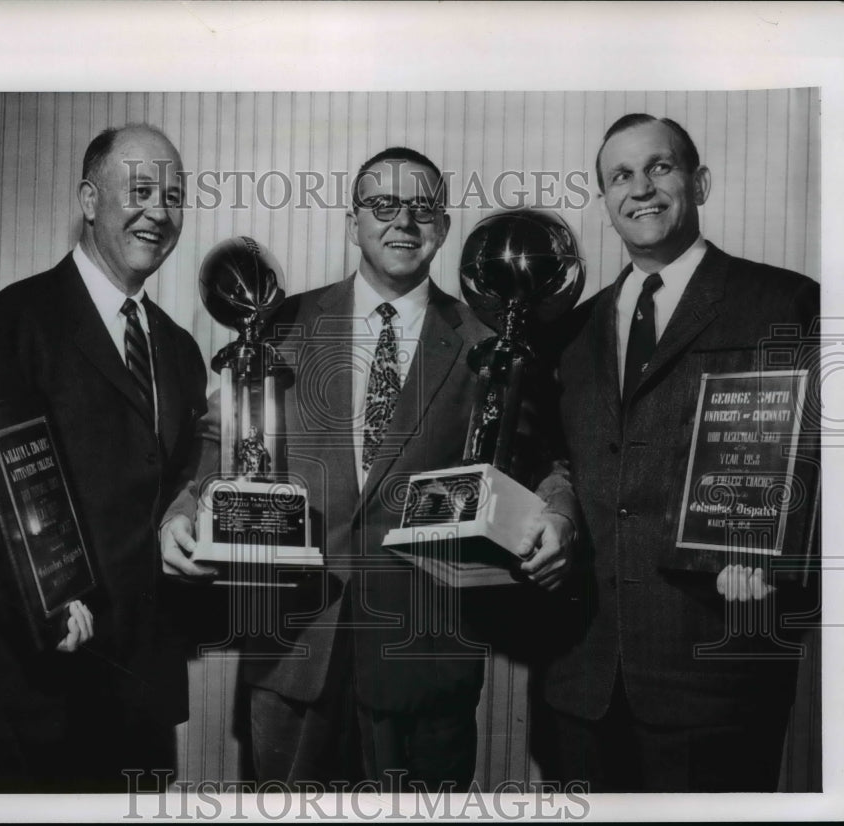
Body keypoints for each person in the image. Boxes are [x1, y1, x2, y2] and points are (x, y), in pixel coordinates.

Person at [163, 147, 579, 791]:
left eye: (422, 208)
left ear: (442, 227)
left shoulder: (487, 342)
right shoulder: (279, 323)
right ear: (352, 220)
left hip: (426, 663)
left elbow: (541, 461)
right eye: (383, 205)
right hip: (292, 655)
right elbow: (218, 446)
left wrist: (557, 515)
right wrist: (185, 514)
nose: (402, 222)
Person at [542, 114, 820, 792]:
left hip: (716, 668)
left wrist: (773, 545)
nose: (641, 188)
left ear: (700, 180)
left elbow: (821, 453)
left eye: (660, 167)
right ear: (606, 202)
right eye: (620, 176)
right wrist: (555, 511)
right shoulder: (572, 329)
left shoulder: (785, 301)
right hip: (580, 678)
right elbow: (561, 461)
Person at [0, 124, 214, 792]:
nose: (159, 212)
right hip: (40, 686)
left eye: (174, 195)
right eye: (139, 190)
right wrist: (46, 598)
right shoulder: (11, 323)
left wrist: (184, 517)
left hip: (142, 691)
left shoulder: (176, 348)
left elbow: (174, 481)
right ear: (89, 199)